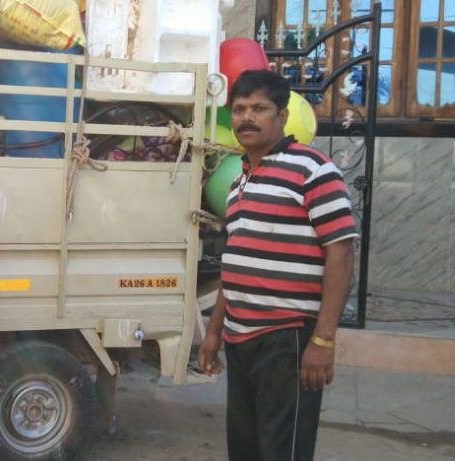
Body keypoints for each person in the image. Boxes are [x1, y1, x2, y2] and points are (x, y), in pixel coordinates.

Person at [197, 70, 358, 461]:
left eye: (259, 108)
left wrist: (323, 340)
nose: (246, 117)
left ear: (282, 116)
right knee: (246, 450)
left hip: (287, 340)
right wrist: (214, 332)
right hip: (241, 340)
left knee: (282, 451)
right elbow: (236, 263)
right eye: (239, 109)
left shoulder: (313, 169)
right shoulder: (238, 183)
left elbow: (341, 253)